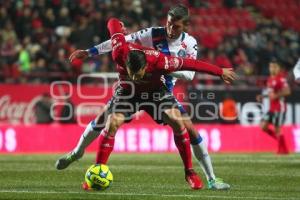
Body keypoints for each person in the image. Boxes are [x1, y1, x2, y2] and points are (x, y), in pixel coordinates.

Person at [56, 5, 231, 189]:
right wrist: (91, 51)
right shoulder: (121, 51)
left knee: (180, 123)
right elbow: (113, 25)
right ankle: (91, 165)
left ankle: (194, 174)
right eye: (169, 23)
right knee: (109, 121)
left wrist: (219, 72)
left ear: (185, 26)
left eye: (176, 26)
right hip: (128, 92)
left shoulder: (162, 59)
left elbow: (192, 66)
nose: (171, 29)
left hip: (157, 91)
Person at [256, 61, 291, 154]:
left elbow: (287, 91)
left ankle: (282, 150)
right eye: (271, 67)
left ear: (279, 68)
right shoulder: (270, 79)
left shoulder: (281, 79)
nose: (272, 69)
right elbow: (271, 94)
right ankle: (281, 143)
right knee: (263, 126)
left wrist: (277, 95)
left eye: (275, 67)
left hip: (279, 108)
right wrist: (263, 96)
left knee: (277, 129)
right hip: (271, 109)